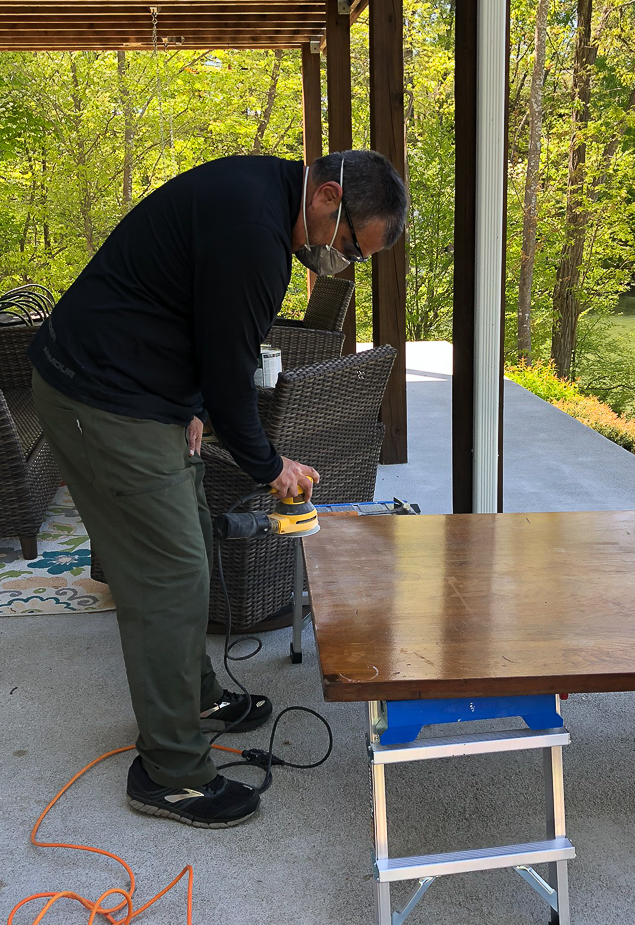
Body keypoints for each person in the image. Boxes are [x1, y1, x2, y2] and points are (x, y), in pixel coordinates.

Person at [28, 149, 408, 829]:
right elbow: (237, 374)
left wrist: (192, 405)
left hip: (138, 385)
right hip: (99, 396)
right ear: (327, 196)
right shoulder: (256, 238)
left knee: (187, 547)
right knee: (167, 575)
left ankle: (195, 699)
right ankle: (171, 772)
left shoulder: (260, 190)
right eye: (351, 244)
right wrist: (271, 467)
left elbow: (202, 321)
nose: (344, 261)